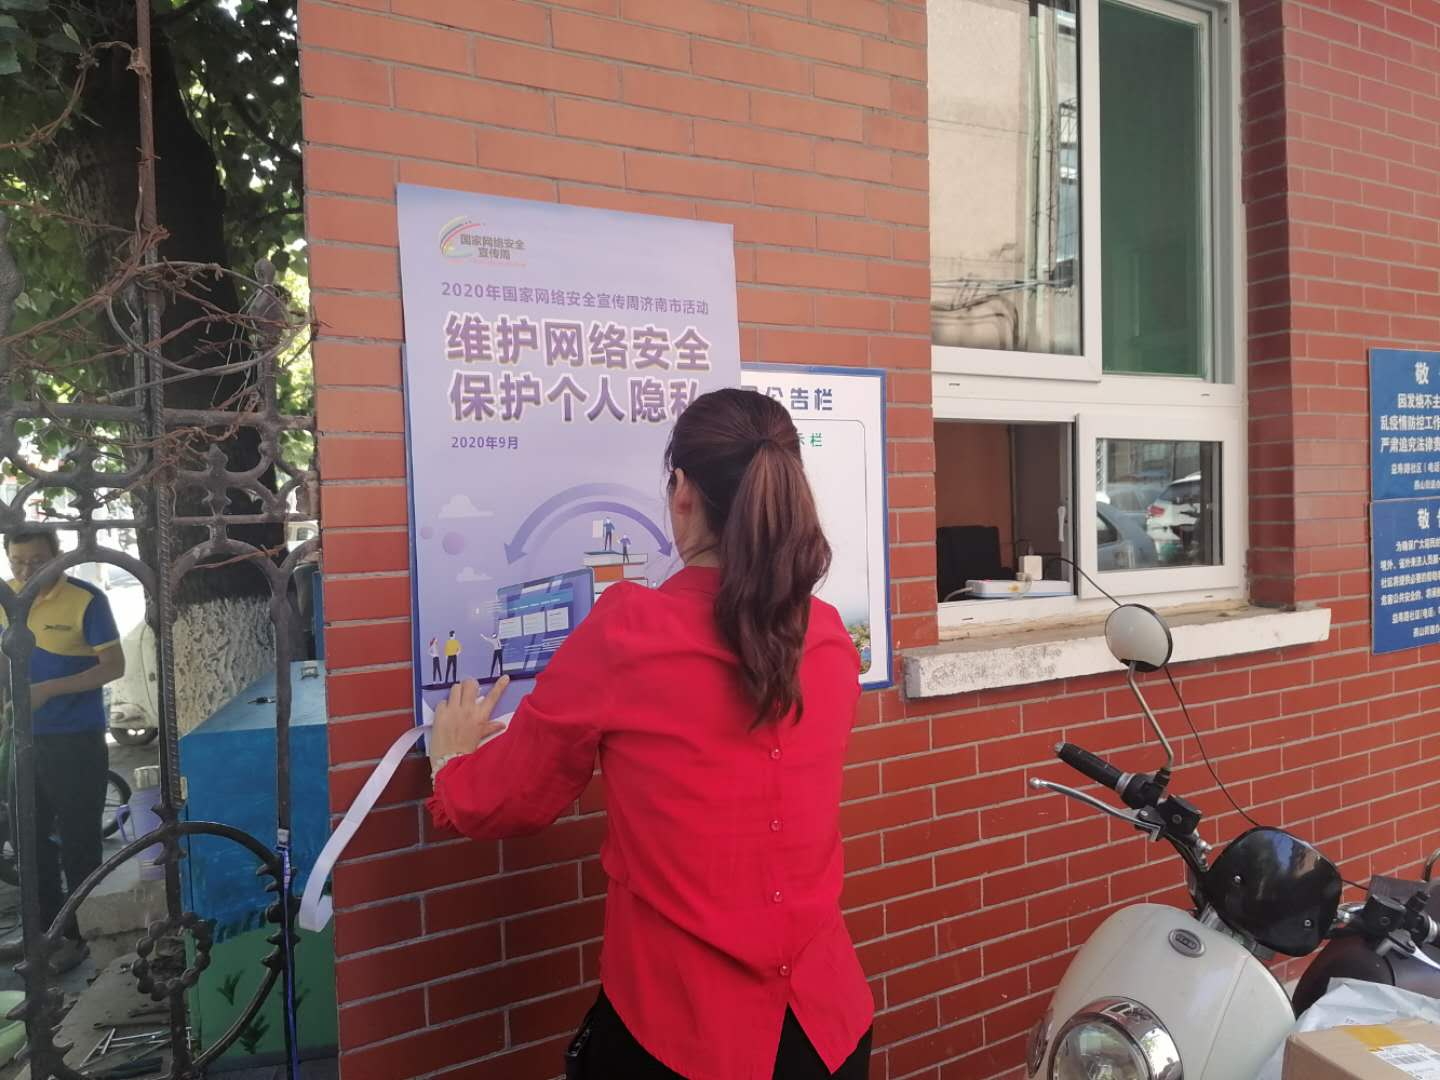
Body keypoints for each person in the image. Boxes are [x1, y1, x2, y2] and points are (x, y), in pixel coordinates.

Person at [428, 389, 872, 1079]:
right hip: (829, 1031)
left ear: (682, 490)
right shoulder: (829, 636)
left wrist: (451, 764)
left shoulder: (630, 632)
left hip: (683, 1033)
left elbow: (512, 797)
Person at [0, 525, 125, 973]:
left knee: (78, 843)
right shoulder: (6, 597)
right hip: (22, 739)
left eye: (37, 561)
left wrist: (49, 690)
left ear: (58, 556)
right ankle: (44, 932)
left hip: (75, 740)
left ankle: (80, 936)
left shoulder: (87, 599)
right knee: (27, 839)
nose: (26, 570)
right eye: (17, 561)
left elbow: (113, 666)